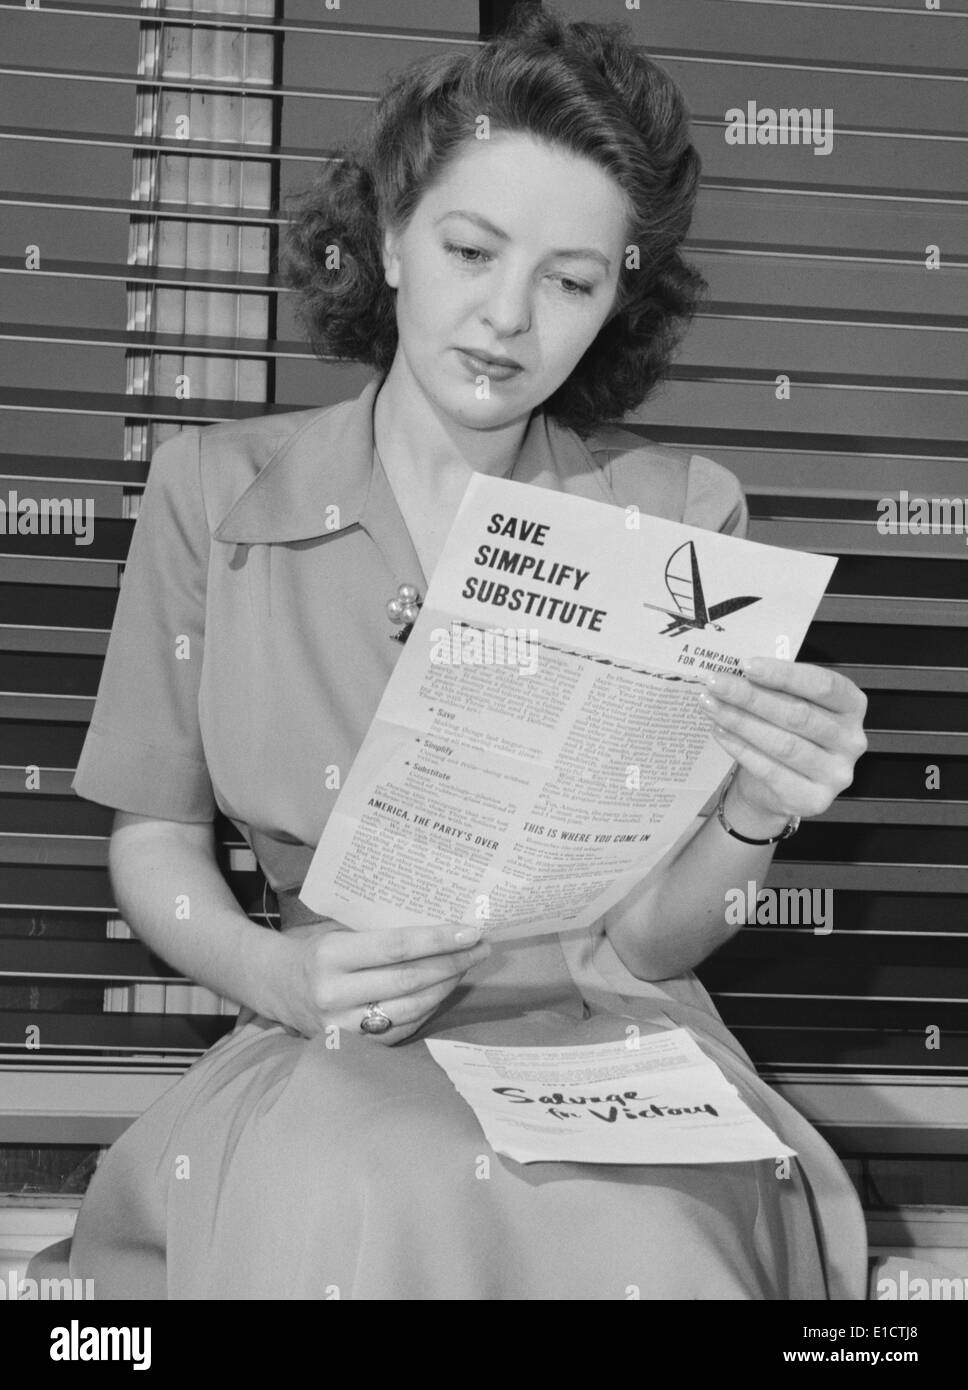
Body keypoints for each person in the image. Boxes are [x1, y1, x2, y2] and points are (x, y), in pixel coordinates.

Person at [68, 4, 870, 1299]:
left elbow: (659, 942)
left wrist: (762, 812)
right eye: (471, 248)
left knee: (665, 1236)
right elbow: (149, 839)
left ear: (618, 297)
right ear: (387, 240)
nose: (509, 316)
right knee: (368, 1194)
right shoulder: (211, 490)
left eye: (570, 278)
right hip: (332, 1029)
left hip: (612, 1038)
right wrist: (279, 969)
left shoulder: (681, 515)